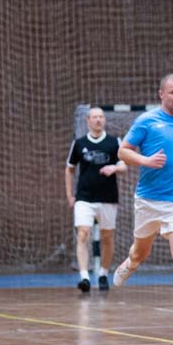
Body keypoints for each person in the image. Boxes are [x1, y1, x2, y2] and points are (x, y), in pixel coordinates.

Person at [112, 74, 173, 332]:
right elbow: (123, 151)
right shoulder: (146, 121)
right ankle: (129, 264)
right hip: (149, 200)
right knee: (140, 253)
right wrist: (146, 161)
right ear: (161, 94)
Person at [64, 107, 126, 292]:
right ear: (88, 120)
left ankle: (103, 273)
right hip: (84, 197)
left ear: (104, 120)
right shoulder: (79, 143)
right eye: (95, 117)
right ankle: (84, 277)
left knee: (107, 237)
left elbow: (124, 165)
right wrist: (69, 195)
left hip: (108, 197)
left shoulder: (114, 142)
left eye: (101, 117)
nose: (98, 120)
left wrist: (114, 168)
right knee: (83, 233)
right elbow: (69, 169)